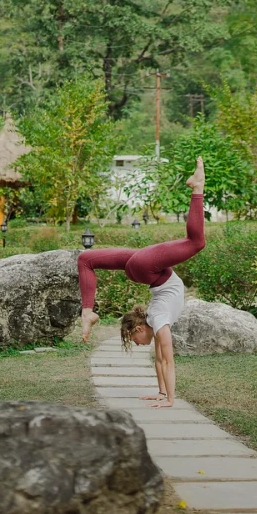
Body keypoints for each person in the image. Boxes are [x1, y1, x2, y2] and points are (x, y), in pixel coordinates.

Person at [76, 157, 205, 408]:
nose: (137, 344)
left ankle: (198, 186)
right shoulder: (158, 321)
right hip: (147, 269)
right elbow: (162, 360)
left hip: (146, 268)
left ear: (138, 329)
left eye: (134, 340)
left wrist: (167, 398)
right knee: (86, 259)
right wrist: (164, 395)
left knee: (197, 242)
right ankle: (88, 312)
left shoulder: (157, 319)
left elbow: (165, 361)